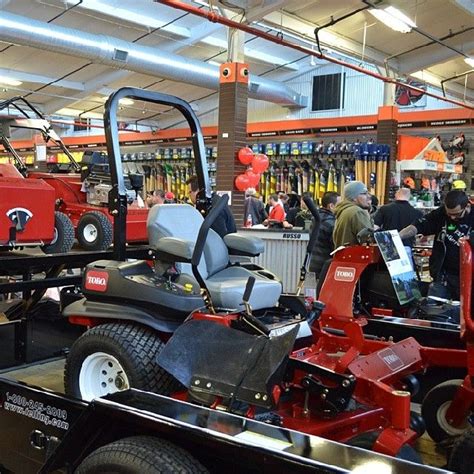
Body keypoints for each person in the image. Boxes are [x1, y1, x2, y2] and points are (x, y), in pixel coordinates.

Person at [399, 190, 473, 300]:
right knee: (433, 308)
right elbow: (419, 225)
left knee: (464, 312)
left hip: (468, 276)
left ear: (467, 206)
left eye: (457, 214)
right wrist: (397, 236)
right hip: (443, 274)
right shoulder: (441, 213)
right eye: (449, 214)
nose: (452, 218)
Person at [309, 191, 341, 277]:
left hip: (313, 263)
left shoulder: (315, 219)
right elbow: (335, 247)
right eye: (339, 205)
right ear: (331, 206)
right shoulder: (331, 223)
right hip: (326, 265)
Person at [333, 181, 372, 248]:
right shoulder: (357, 212)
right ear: (353, 198)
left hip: (343, 257)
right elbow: (369, 241)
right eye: (364, 194)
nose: (368, 196)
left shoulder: (343, 210)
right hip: (356, 257)